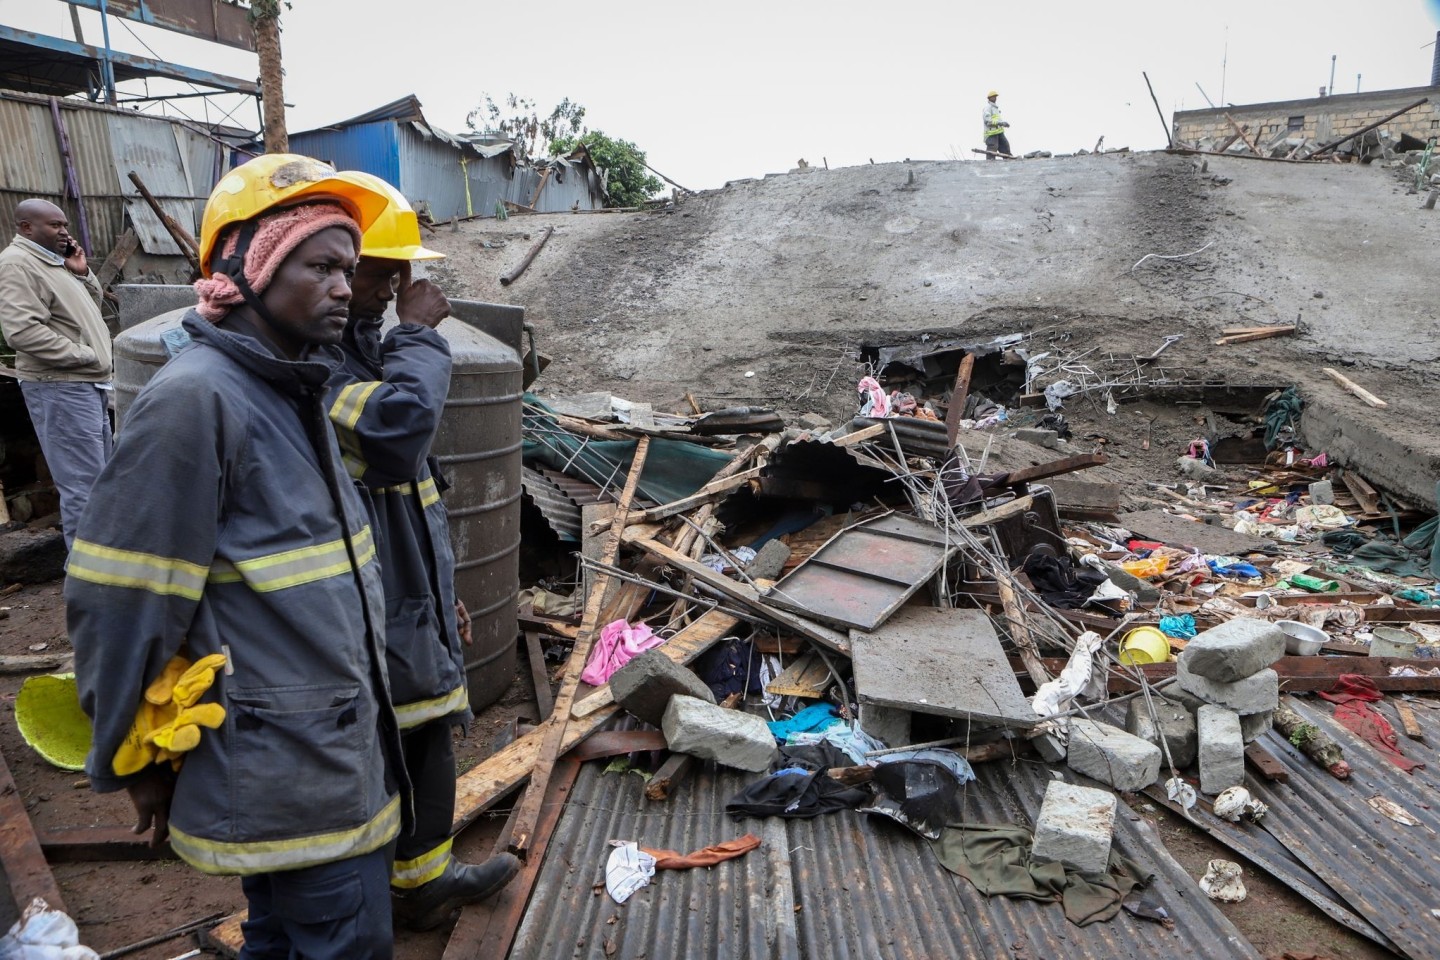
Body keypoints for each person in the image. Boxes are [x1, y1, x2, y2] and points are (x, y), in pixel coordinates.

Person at [66, 154, 406, 959]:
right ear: (247, 268)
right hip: (286, 774)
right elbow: (120, 598)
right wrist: (127, 752)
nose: (343, 289)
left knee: (283, 940)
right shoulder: (197, 400)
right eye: (321, 266)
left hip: (324, 753)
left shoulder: (292, 389)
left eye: (349, 269)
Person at [327, 170, 519, 930]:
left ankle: (420, 882)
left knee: (424, 736)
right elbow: (399, 438)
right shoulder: (325, 371)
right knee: (407, 738)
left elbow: (410, 502)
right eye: (381, 271)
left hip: (407, 590)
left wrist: (448, 596)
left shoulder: (365, 352)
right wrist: (416, 334)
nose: (393, 287)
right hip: (365, 606)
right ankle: (404, 889)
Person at [0, 199, 114, 549]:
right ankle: (88, 580)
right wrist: (84, 356)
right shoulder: (18, 264)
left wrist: (82, 273)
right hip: (60, 388)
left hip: (86, 384)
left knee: (102, 483)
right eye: (54, 225)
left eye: (64, 224)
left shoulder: (54, 263)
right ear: (26, 228)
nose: (64, 231)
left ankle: (107, 570)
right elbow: (21, 331)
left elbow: (83, 315)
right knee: (84, 487)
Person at [983, 90, 1012, 159]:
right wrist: (1001, 123)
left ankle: (1009, 160)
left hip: (999, 132)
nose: (995, 98)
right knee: (992, 149)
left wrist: (1003, 124)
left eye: (995, 97)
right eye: (993, 97)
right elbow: (988, 122)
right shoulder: (988, 108)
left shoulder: (995, 108)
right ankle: (989, 165)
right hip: (991, 134)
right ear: (989, 98)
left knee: (1005, 147)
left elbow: (997, 120)